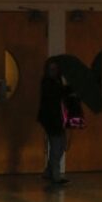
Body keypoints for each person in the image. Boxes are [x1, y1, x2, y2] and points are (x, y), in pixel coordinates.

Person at [37, 57, 73, 188]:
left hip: (58, 118)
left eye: (55, 69)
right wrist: (66, 88)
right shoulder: (47, 82)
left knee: (61, 144)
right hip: (51, 119)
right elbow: (55, 95)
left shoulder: (57, 81)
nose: (53, 71)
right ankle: (55, 175)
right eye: (51, 69)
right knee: (57, 146)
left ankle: (49, 171)